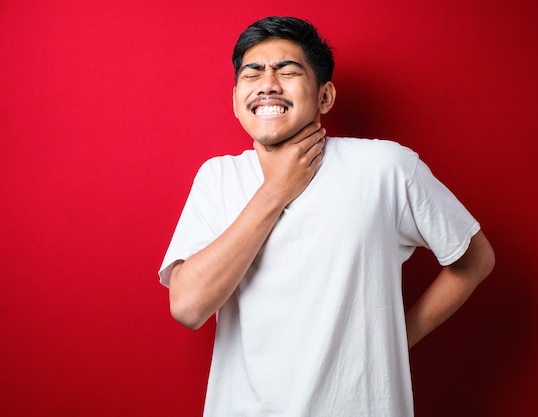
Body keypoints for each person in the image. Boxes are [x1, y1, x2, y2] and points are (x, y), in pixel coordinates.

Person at [159, 16, 495, 417]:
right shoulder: (218, 178)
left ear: (324, 97)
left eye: (287, 70)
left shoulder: (386, 168)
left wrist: (397, 338)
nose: (267, 83)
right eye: (253, 73)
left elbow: (475, 258)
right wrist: (276, 191)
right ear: (235, 99)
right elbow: (188, 307)